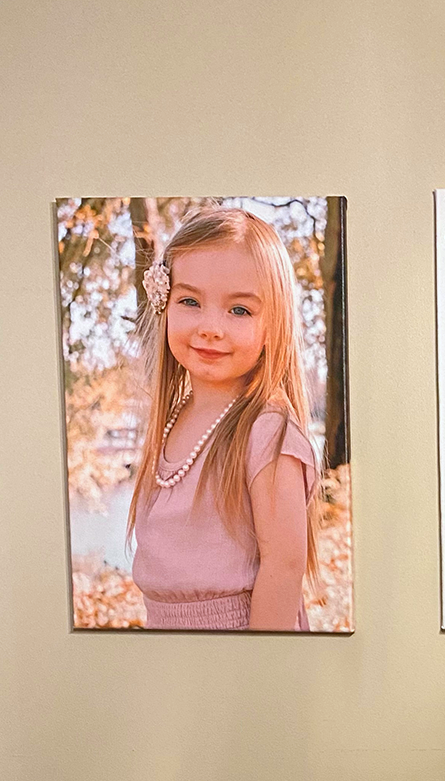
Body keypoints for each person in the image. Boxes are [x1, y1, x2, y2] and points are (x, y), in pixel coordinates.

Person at [126, 208, 319, 630]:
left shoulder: (266, 433)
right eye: (191, 302)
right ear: (165, 304)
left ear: (274, 325)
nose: (211, 327)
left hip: (240, 650)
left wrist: (253, 680)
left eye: (239, 311)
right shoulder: (171, 421)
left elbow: (283, 570)